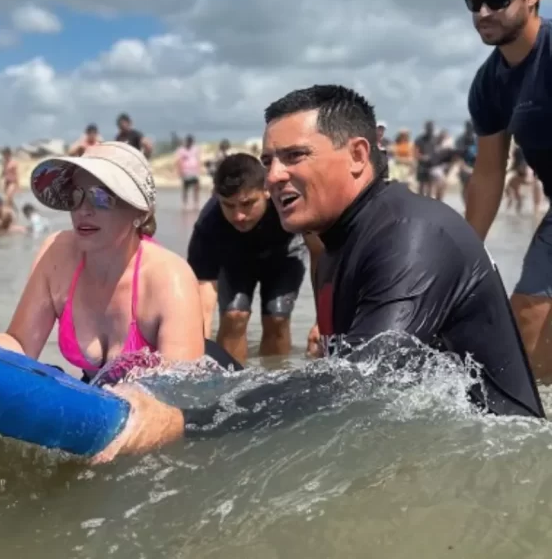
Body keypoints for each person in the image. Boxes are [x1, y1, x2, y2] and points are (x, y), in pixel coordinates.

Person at [92, 84, 544, 463]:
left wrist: (184, 423)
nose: (273, 175)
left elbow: (363, 379)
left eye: (294, 156)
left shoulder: (412, 233)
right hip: (414, 444)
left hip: (495, 458)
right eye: (269, 159)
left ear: (358, 155)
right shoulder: (334, 238)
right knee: (207, 357)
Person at [0, 142, 210, 383]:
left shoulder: (169, 278)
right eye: (75, 196)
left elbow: (182, 395)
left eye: (101, 197)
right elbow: (22, 347)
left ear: (139, 212)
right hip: (104, 392)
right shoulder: (57, 253)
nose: (83, 209)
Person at [462, 0, 552, 380]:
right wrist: (461, 251)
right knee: (528, 323)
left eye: (496, 1)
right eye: (474, 2)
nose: (482, 14)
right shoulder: (488, 84)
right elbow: (487, 176)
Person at [186, 153, 306, 365]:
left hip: (284, 257)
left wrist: (324, 321)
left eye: (247, 203)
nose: (238, 216)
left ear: (267, 191)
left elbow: (322, 255)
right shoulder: (208, 225)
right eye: (229, 206)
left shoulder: (289, 204)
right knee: (234, 316)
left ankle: (276, 381)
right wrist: (196, 354)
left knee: (277, 316)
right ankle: (230, 383)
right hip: (235, 261)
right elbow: (203, 300)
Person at [175, 134, 202, 208]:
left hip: (194, 172)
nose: (189, 143)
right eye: (188, 141)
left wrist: (199, 169)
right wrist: (179, 171)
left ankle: (196, 203)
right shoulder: (181, 150)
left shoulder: (196, 149)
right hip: (186, 172)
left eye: (191, 141)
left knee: (197, 187)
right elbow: (179, 161)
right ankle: (185, 204)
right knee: (185, 188)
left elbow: (198, 159)